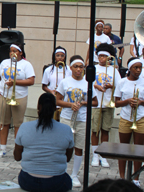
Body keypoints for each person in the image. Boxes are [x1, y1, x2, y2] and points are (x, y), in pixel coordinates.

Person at [14, 93, 73, 192]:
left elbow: (17, 157)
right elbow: (67, 158)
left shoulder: (24, 127)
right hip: (56, 182)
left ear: (38, 107)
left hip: (28, 180)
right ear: (55, 108)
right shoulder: (66, 129)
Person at [55, 55, 98, 188]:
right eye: (76, 67)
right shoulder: (65, 82)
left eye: (81, 67)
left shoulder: (88, 83)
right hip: (67, 118)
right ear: (71, 68)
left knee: (79, 147)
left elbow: (95, 102)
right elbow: (57, 100)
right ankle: (61, 172)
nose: (79, 69)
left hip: (82, 119)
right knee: (64, 146)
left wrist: (83, 103)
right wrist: (70, 105)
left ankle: (74, 174)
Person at [114, 57, 144, 187]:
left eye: (140, 68)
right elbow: (116, 103)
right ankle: (121, 177)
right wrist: (128, 101)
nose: (138, 70)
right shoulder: (122, 82)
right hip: (126, 117)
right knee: (123, 148)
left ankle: (136, 178)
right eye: (135, 68)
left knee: (138, 149)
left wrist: (141, 102)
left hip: (141, 117)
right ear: (129, 69)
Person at [0, 43, 35, 158]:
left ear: (21, 53)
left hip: (19, 96)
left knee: (18, 124)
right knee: (3, 122)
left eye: (15, 51)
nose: (12, 53)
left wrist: (15, 82)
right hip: (4, 95)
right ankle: (2, 148)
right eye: (11, 51)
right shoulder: (4, 62)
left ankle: (18, 149)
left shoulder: (26, 65)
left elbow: (31, 81)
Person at [91, 43, 120, 168]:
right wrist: (95, 86)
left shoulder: (114, 71)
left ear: (109, 58)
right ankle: (94, 155)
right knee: (94, 130)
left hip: (108, 102)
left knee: (105, 130)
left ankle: (103, 155)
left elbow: (119, 86)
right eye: (100, 56)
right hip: (96, 104)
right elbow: (86, 82)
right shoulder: (93, 68)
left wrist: (111, 86)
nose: (101, 58)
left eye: (104, 56)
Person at [42, 46, 71, 121]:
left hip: (65, 98)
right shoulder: (49, 70)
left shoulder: (69, 70)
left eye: (62, 55)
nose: (60, 58)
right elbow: (44, 86)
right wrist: (51, 91)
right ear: (54, 57)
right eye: (58, 55)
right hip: (53, 98)